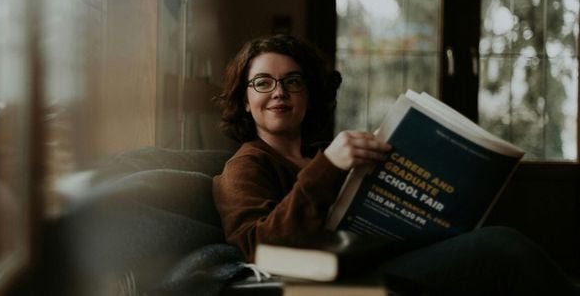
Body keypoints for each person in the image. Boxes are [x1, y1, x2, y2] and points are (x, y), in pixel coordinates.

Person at [212, 34, 579, 296]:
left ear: (309, 94)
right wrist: (327, 167)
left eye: (293, 81)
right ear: (245, 101)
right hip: (337, 281)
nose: (279, 92)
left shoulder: (329, 150)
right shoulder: (246, 165)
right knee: (501, 247)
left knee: (495, 244)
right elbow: (258, 248)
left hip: (389, 258)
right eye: (262, 83)